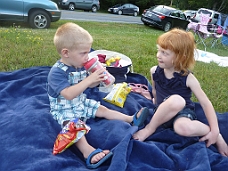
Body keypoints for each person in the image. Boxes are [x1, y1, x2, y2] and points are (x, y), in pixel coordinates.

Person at [47, 22, 149, 169]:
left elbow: (89, 86)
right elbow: (68, 94)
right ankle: (87, 151)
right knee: (74, 126)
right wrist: (89, 79)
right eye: (83, 53)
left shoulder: (80, 65)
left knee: (102, 109)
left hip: (80, 101)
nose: (87, 57)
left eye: (88, 52)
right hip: (64, 108)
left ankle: (130, 119)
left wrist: (99, 79)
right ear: (66, 53)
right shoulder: (56, 72)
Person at [133, 28, 228, 157]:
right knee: (173, 102)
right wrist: (152, 98)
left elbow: (205, 104)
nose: (158, 55)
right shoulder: (154, 71)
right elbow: (156, 91)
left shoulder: (188, 78)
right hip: (161, 113)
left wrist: (215, 130)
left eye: (165, 53)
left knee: (182, 125)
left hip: (182, 113)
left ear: (180, 57)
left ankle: (216, 135)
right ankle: (150, 128)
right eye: (159, 50)